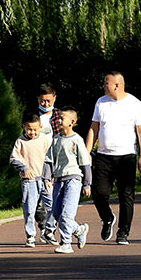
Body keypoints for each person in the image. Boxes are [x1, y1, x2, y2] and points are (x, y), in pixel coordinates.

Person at [85, 71, 141, 246]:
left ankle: (123, 232)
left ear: (117, 85)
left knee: (126, 195)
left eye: (106, 83)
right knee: (99, 193)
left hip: (127, 156)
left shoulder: (135, 104)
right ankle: (107, 218)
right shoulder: (101, 102)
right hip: (104, 156)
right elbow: (94, 128)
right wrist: (87, 152)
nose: (104, 86)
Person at [45, 108, 91, 254]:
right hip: (59, 180)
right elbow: (48, 160)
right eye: (58, 118)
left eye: (62, 118)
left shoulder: (77, 140)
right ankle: (79, 229)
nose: (59, 121)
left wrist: (87, 183)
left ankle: (66, 243)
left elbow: (85, 163)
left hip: (74, 179)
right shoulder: (56, 139)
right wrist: (47, 178)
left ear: (72, 122)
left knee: (67, 212)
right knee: (56, 212)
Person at [10, 114, 53, 247]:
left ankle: (49, 231)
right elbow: (14, 158)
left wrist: (50, 176)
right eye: (29, 129)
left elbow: (50, 158)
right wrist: (24, 168)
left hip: (45, 179)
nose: (32, 132)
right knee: (30, 209)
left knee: (52, 205)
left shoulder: (44, 139)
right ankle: (30, 235)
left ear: (40, 127)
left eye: (35, 129)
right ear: (24, 127)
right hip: (29, 180)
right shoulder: (20, 141)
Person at [35, 84, 60, 243]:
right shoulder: (32, 116)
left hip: (55, 161)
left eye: (49, 101)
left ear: (54, 99)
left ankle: (51, 228)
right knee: (37, 200)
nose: (45, 104)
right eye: (43, 101)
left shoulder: (59, 116)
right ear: (38, 99)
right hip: (36, 160)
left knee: (52, 197)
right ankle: (43, 227)